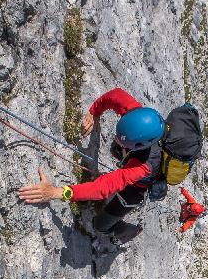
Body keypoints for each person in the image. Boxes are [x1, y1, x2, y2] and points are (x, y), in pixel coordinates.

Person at [18, 88, 165, 234]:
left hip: (139, 187)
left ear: (139, 146)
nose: (116, 139)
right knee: (115, 150)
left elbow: (102, 188)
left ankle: (126, 232)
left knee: (100, 225)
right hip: (134, 155)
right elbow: (115, 95)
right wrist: (94, 112)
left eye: (122, 141)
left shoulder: (144, 166)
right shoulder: (137, 116)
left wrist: (57, 192)